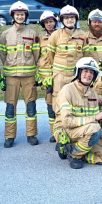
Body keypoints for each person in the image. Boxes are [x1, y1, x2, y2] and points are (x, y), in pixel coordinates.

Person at [53, 58, 102, 169]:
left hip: (86, 131)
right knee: (94, 128)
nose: (88, 75)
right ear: (78, 72)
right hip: (66, 130)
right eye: (85, 71)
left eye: (91, 72)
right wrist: (94, 118)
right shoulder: (67, 91)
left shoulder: (93, 94)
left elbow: (94, 125)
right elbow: (67, 121)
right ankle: (74, 155)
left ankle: (80, 154)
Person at [0, 1, 41, 148]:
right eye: (17, 14)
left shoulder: (32, 33)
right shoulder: (5, 35)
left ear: (26, 16)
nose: (20, 17)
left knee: (31, 106)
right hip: (11, 77)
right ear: (13, 16)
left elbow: (37, 54)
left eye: (22, 14)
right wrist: (7, 70)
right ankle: (9, 137)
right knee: (10, 107)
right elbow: (2, 55)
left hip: (29, 76)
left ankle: (31, 134)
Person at [45, 5, 86, 102]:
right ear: (62, 20)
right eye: (66, 18)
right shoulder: (55, 35)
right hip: (60, 76)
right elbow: (50, 55)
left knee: (77, 100)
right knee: (58, 100)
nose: (69, 20)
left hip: (76, 76)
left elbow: (86, 55)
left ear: (76, 19)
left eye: (72, 17)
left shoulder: (83, 35)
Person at [37, 10, 59, 141]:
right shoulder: (40, 39)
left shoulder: (61, 36)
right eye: (46, 22)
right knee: (50, 105)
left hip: (60, 75)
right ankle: (54, 133)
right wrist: (38, 76)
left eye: (51, 21)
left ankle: (65, 130)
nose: (49, 24)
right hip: (46, 77)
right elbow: (36, 56)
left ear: (55, 22)